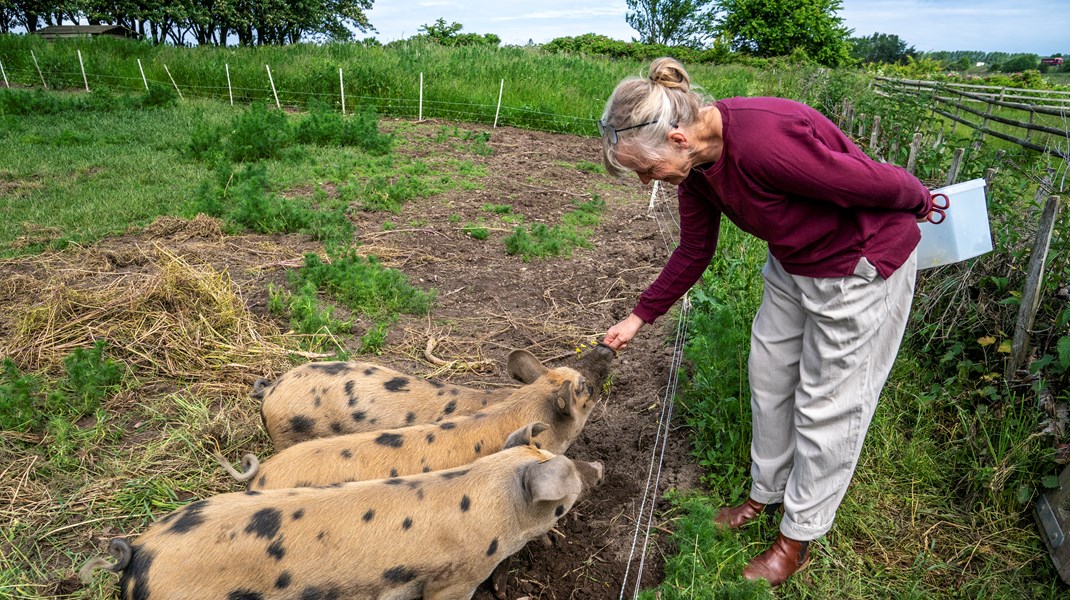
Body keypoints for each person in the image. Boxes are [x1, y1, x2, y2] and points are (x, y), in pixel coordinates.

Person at [598, 57, 935, 587]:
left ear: (679, 139)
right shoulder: (699, 171)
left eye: (645, 168)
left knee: (828, 404)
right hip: (794, 262)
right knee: (769, 377)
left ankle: (797, 536)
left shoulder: (766, 143)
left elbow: (868, 183)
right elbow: (694, 249)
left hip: (856, 267)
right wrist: (640, 317)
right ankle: (764, 493)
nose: (645, 181)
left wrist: (922, 199)